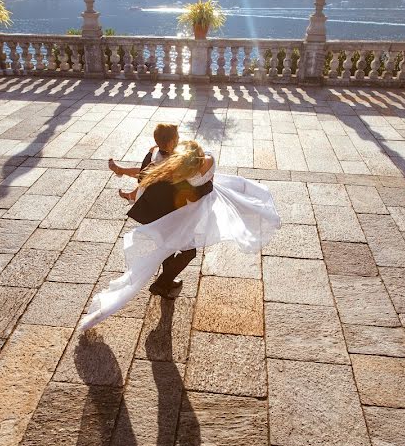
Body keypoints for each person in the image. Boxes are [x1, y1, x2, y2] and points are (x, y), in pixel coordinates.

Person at [79, 140, 281, 332]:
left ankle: (166, 284)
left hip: (171, 213)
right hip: (189, 212)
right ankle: (163, 283)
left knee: (171, 245)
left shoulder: (177, 172)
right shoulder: (207, 160)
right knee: (188, 251)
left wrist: (141, 166)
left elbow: (149, 176)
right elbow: (204, 162)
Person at [109, 123, 179, 202]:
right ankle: (130, 191)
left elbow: (143, 174)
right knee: (147, 172)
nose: (179, 140)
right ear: (171, 143)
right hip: (160, 195)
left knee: (146, 171)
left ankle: (122, 174)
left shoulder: (155, 153)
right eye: (177, 138)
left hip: (151, 185)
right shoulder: (169, 160)